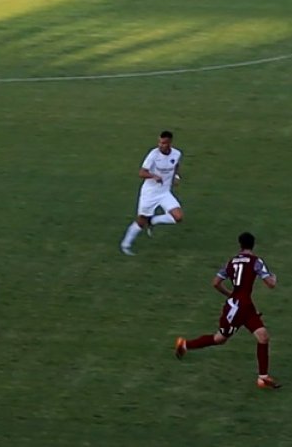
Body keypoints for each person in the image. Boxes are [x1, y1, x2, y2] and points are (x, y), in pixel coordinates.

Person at [174, 232, 281, 389]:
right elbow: (270, 284)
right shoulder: (256, 261)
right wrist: (274, 278)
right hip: (239, 308)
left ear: (240, 245)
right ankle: (184, 344)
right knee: (220, 339)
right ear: (253, 245)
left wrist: (230, 294)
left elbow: (216, 282)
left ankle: (262, 378)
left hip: (241, 306)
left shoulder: (231, 262)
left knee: (262, 336)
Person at [119, 130, 184, 256]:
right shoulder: (153, 155)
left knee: (178, 217)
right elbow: (141, 173)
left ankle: (153, 221)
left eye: (164, 143)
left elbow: (176, 164)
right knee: (141, 221)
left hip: (164, 192)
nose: (160, 145)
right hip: (150, 194)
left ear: (170, 143)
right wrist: (154, 176)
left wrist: (176, 176)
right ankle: (125, 244)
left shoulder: (176, 154)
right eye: (159, 142)